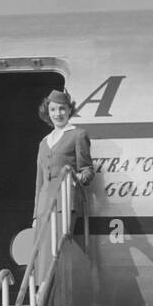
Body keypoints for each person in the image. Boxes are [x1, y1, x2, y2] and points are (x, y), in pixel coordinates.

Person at [32, 89, 95, 264]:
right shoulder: (44, 142)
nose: (57, 114)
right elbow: (39, 182)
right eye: (53, 109)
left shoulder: (78, 135)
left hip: (64, 202)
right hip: (44, 206)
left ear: (69, 110)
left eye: (62, 109)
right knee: (41, 259)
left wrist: (74, 177)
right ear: (47, 112)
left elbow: (88, 172)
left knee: (56, 255)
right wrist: (35, 216)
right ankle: (41, 291)